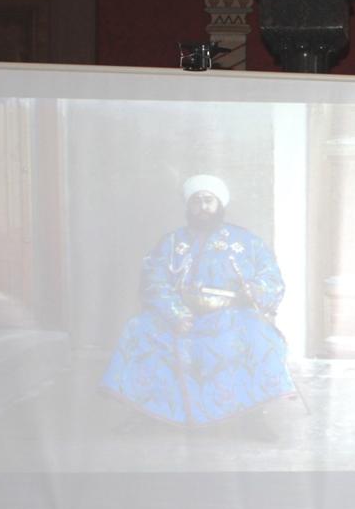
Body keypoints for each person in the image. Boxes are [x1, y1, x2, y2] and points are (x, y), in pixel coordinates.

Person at [100, 174, 296, 431]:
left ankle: (252, 414)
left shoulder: (246, 242)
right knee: (139, 329)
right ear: (188, 206)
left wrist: (256, 291)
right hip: (181, 314)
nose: (203, 207)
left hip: (231, 314)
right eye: (197, 201)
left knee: (257, 334)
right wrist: (176, 314)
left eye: (208, 201)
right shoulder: (171, 243)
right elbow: (153, 281)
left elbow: (272, 278)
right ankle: (146, 409)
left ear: (219, 205)